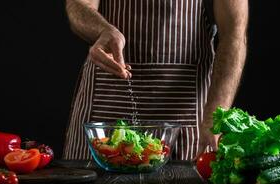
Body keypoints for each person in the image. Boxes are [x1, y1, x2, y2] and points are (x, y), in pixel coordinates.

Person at [62, 0, 248, 160]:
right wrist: (102, 29)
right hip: (104, 113)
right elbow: (78, 6)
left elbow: (234, 35)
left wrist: (214, 117)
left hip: (185, 120)